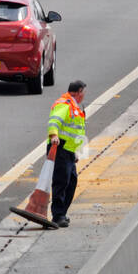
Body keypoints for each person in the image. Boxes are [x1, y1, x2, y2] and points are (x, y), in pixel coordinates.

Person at [47, 80, 87, 228]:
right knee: (61, 181)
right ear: (77, 92)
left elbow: (76, 131)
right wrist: (53, 136)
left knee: (71, 181)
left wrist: (76, 151)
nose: (83, 96)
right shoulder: (65, 104)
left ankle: (62, 212)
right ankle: (57, 215)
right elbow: (54, 121)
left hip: (69, 149)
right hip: (60, 147)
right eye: (83, 93)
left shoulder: (75, 107)